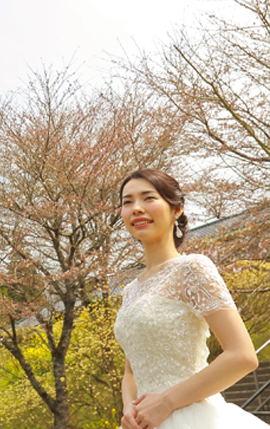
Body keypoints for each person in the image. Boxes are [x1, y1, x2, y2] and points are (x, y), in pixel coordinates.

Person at [114, 168, 268, 429]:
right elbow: (131, 372)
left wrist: (167, 402)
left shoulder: (192, 269)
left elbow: (242, 355)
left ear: (177, 209)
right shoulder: (129, 291)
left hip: (192, 416)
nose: (136, 208)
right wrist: (129, 407)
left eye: (148, 198)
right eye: (127, 202)